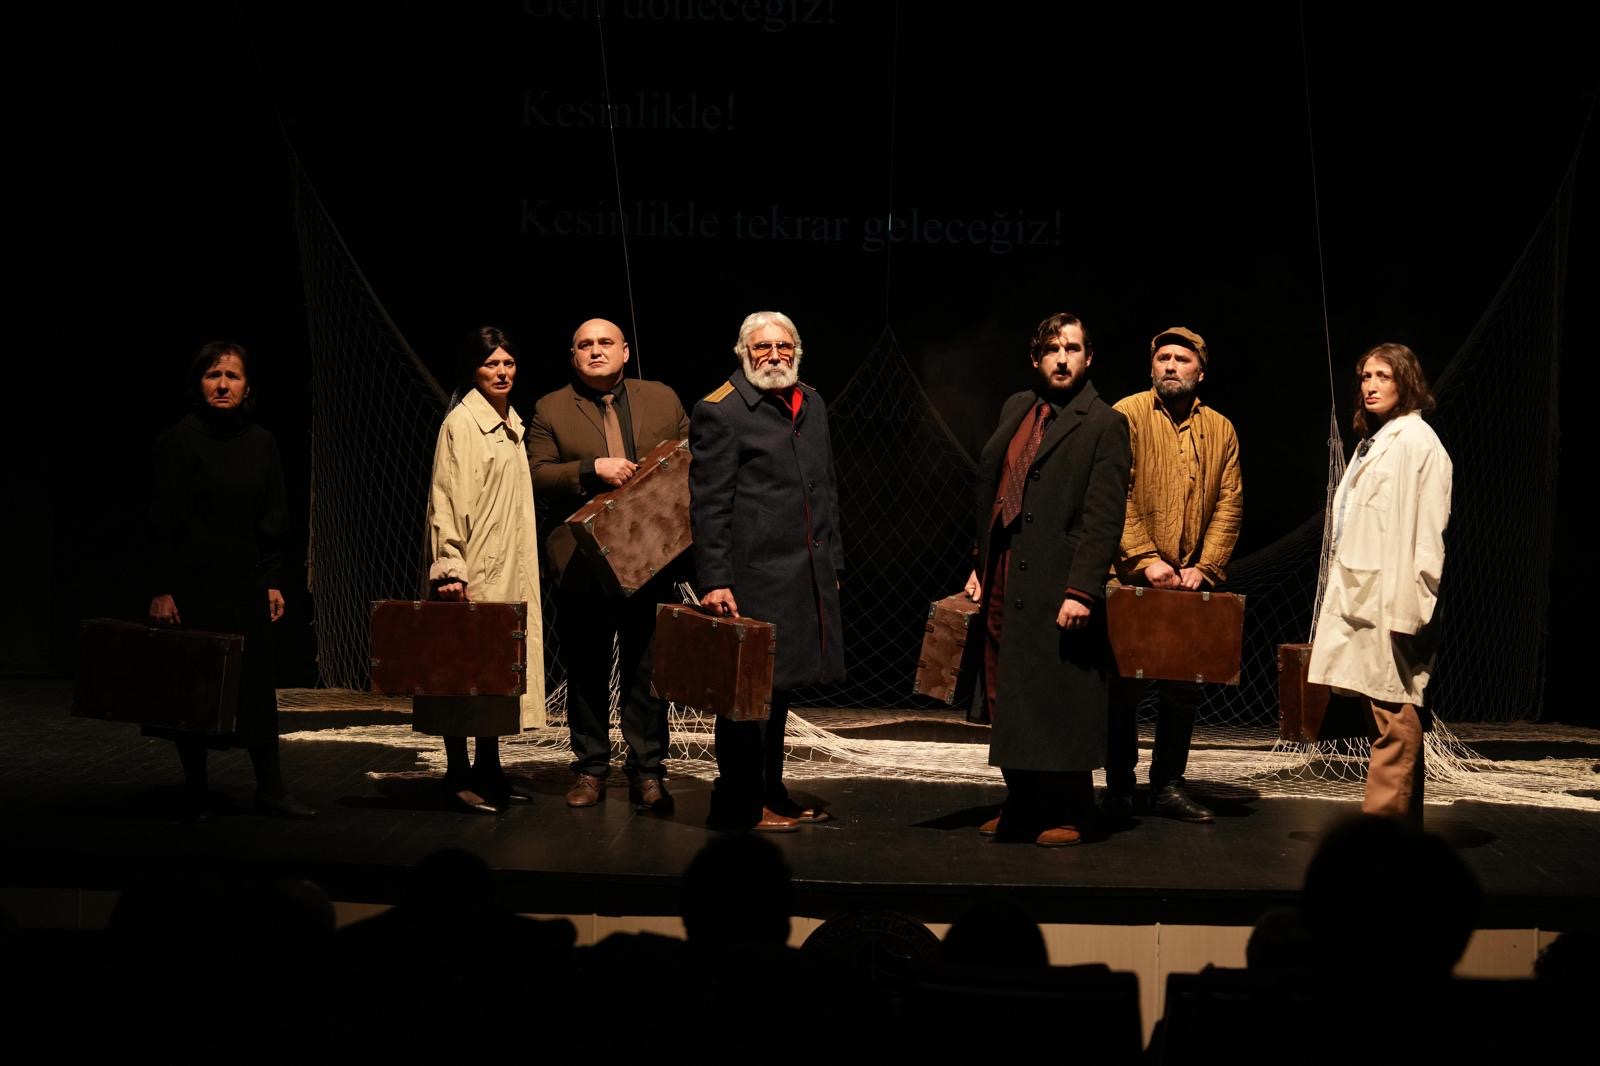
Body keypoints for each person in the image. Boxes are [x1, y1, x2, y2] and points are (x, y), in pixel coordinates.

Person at [965, 312, 1130, 846]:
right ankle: (1023, 800)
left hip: (1059, 580)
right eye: (1053, 349)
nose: (1062, 359)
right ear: (1035, 357)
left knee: (1060, 693)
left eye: (1073, 349)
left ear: (1089, 357)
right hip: (1006, 569)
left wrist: (1082, 590)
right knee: (1006, 688)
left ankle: (1072, 810)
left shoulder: (1104, 423)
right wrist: (981, 561)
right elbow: (995, 488)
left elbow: (1104, 518)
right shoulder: (1019, 407)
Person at [689, 310, 844, 833]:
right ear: (743, 353)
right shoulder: (722, 411)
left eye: (783, 346)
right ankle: (739, 802)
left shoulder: (811, 403)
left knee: (779, 691)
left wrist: (832, 563)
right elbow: (708, 505)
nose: (774, 355)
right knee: (745, 695)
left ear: (796, 351)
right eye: (762, 347)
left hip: (801, 574)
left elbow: (825, 488)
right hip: (751, 578)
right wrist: (715, 580)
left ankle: (769, 790)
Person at [526, 318, 689, 812]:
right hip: (582, 560)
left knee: (646, 669)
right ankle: (591, 768)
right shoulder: (551, 408)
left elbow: (690, 459)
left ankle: (648, 771)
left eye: (605, 342)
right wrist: (589, 468)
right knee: (587, 668)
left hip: (651, 557)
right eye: (585, 345)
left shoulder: (662, 398)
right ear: (573, 356)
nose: (596, 350)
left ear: (625, 351)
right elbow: (534, 473)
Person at [147, 341, 314, 819]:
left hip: (246, 585)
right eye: (213, 375)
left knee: (257, 689)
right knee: (195, 688)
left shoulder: (262, 442)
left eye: (233, 376)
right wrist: (162, 588)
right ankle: (196, 791)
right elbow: (161, 522)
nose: (223, 385)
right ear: (198, 383)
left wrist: (273, 580)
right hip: (193, 587)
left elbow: (273, 515)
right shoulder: (179, 441)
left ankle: (271, 789)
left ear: (247, 387)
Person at [1104, 326, 1243, 825]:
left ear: (1200, 372)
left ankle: (1167, 785)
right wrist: (1145, 558)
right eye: (1162, 357)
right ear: (1151, 367)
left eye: (1182, 359)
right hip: (1131, 578)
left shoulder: (1221, 428)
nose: (1170, 365)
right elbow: (1113, 492)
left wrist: (1204, 567)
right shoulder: (1126, 414)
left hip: (1188, 582)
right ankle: (1119, 787)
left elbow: (1229, 502)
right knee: (1123, 689)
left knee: (1183, 689)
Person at [1307, 343, 1451, 826]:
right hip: (1366, 595)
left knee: (1395, 713)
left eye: (1383, 376)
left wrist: (1412, 609)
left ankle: (1381, 835)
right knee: (1384, 711)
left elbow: (1427, 534)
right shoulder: (1379, 441)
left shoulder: (1417, 443)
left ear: (1405, 382)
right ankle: (1400, 835)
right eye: (1366, 376)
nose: (1370, 386)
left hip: (1394, 601)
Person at [416, 327, 547, 813]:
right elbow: (446, 499)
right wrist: (450, 568)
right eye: (491, 364)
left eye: (508, 363)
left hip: (508, 565)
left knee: (495, 671)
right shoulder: (462, 423)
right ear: (474, 370)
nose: (502, 372)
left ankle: (489, 769)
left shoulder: (511, 422)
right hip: (472, 570)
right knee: (458, 670)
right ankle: (456, 775)